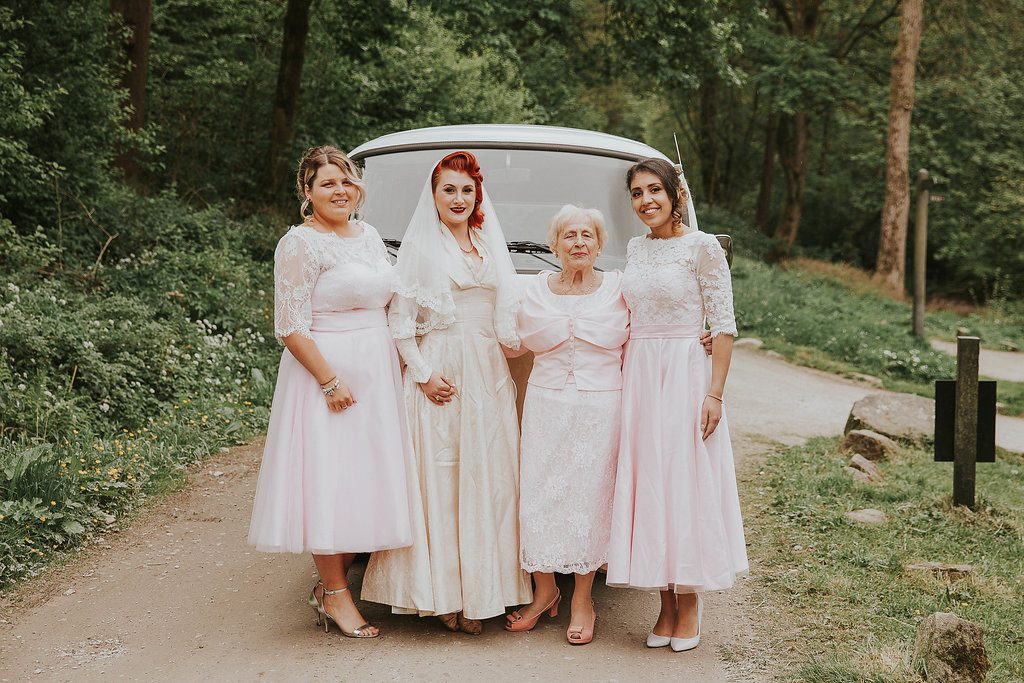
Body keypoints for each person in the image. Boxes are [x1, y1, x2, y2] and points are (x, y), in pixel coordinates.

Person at [362, 151, 532, 634]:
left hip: (489, 371)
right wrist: (421, 373)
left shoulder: (488, 243)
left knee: (491, 478)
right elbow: (399, 323)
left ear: (478, 195)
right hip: (443, 372)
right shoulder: (421, 248)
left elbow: (511, 315)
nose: (458, 198)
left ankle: (486, 592)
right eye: (448, 189)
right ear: (433, 196)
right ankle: (443, 597)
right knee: (443, 478)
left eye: (466, 189)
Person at [247, 145, 414, 639]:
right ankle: (335, 592)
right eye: (327, 184)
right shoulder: (299, 244)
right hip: (327, 372)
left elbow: (388, 303)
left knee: (363, 476)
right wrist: (329, 381)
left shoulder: (368, 237)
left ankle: (340, 585)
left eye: (346, 181)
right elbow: (290, 326)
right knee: (329, 478)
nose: (339, 191)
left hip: (376, 367)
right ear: (307, 192)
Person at [607, 157, 747, 653]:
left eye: (654, 191)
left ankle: (689, 603)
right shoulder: (634, 249)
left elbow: (724, 323)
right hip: (641, 374)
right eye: (637, 194)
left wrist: (714, 392)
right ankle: (663, 604)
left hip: (685, 373)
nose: (646, 201)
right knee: (652, 484)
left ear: (675, 194)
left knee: (684, 483)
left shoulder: (703, 247)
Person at [505, 205, 629, 645]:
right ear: (554, 244)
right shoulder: (532, 289)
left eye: (587, 235)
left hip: (601, 407)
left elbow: (656, 330)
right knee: (538, 491)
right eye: (569, 236)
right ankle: (543, 590)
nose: (579, 243)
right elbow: (504, 336)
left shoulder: (619, 288)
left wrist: (702, 336)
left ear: (599, 244)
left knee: (588, 496)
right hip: (546, 403)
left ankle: (582, 598)